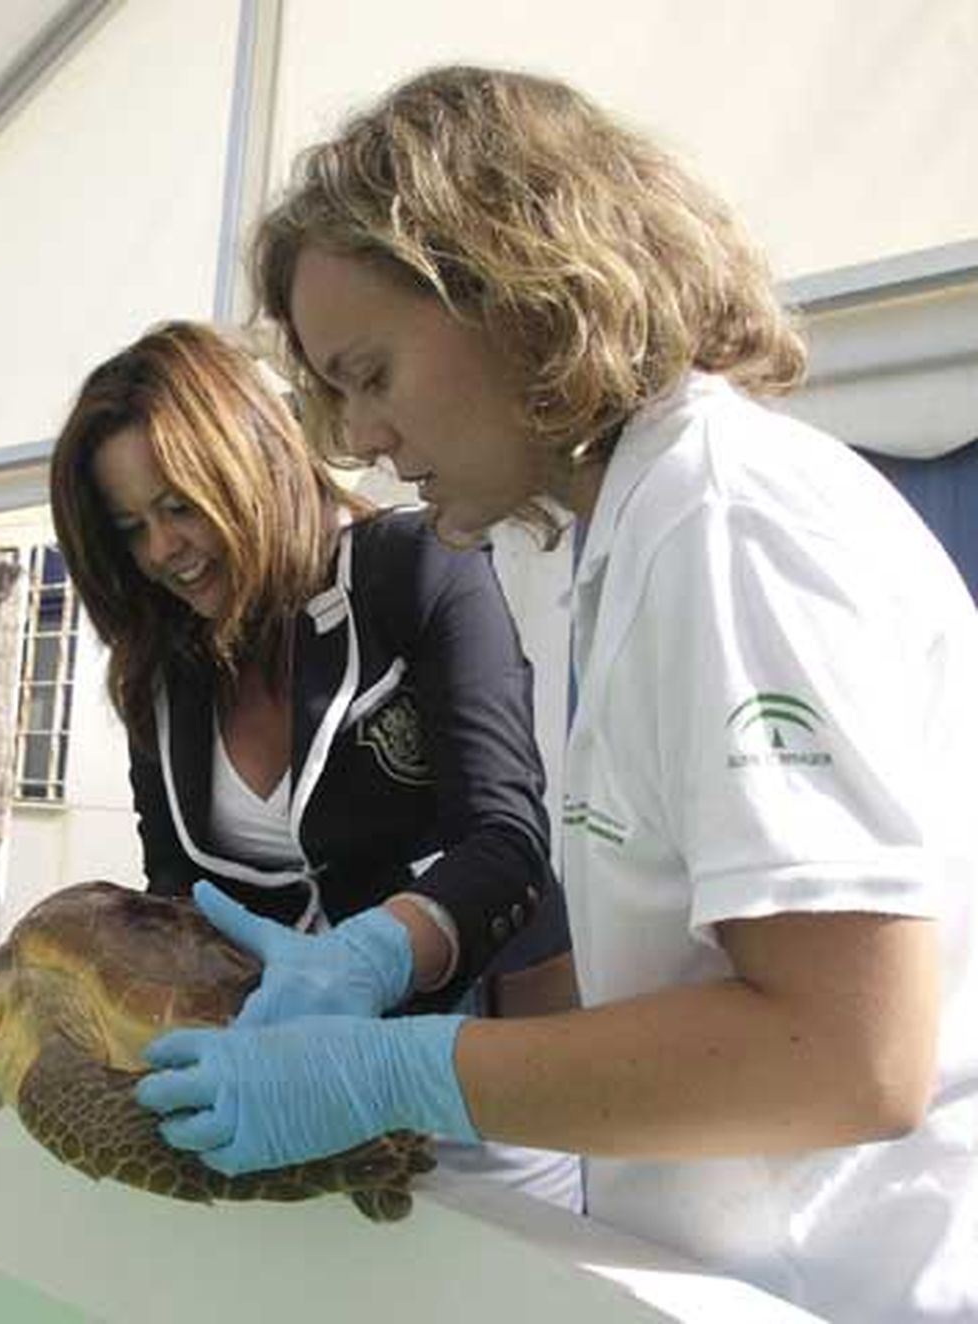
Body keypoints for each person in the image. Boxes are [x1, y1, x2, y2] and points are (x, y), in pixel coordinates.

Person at [132, 67, 978, 1322]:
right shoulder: (614, 537)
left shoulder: (725, 521)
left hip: (852, 1282)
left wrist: (398, 1071)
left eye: (369, 372)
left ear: (520, 292)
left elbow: (848, 1055)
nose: (358, 437)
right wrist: (381, 959)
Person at [50, 319, 580, 1208]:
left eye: (179, 505)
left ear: (255, 457)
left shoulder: (418, 569)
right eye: (131, 526)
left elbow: (507, 839)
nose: (161, 551)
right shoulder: (159, 669)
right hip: (292, 1090)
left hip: (477, 1073)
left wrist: (371, 956)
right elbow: (177, 890)